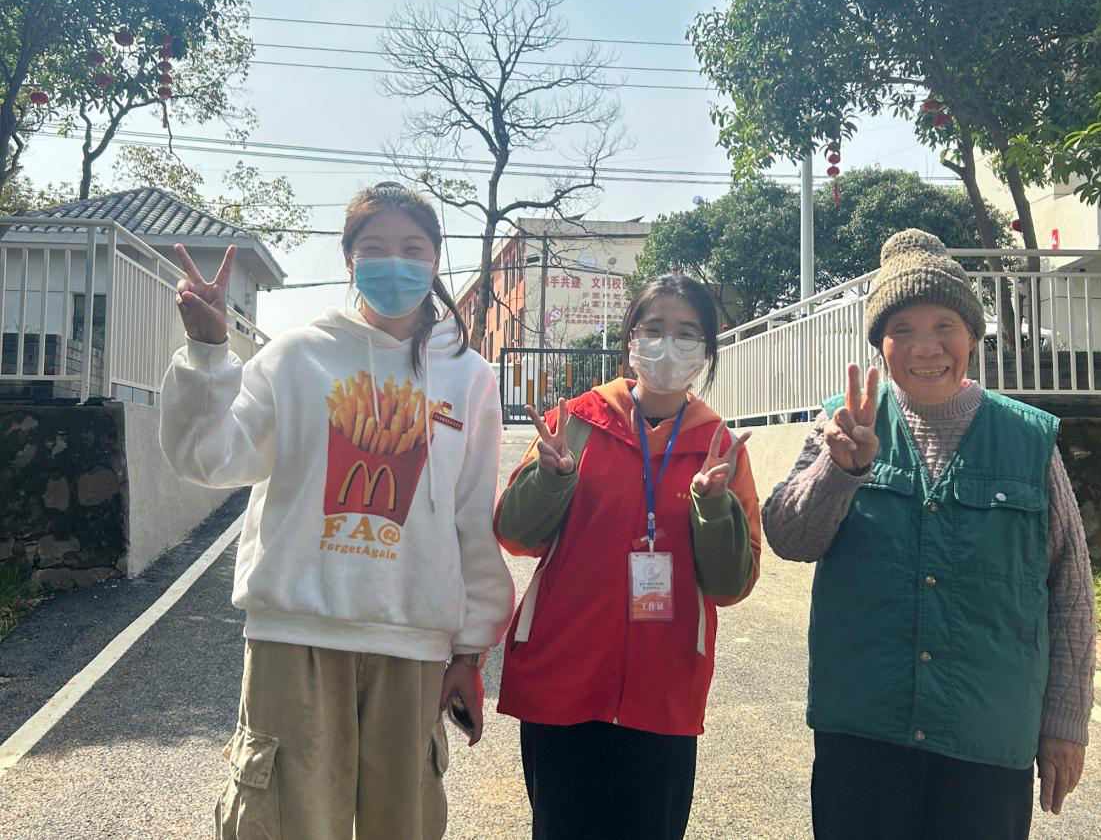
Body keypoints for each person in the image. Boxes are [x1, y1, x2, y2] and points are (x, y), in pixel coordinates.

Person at [160, 181, 514, 840]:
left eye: (412, 247)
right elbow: (207, 458)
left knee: (404, 824)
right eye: (373, 247)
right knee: (283, 824)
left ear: (436, 259)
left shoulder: (469, 377)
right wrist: (208, 354)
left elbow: (471, 516)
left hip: (411, 640)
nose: (394, 262)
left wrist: (470, 651)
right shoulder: (298, 356)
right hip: (294, 635)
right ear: (349, 260)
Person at [763, 229, 1095, 840]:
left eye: (945, 325)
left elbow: (1070, 588)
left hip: (986, 735)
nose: (926, 347)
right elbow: (789, 537)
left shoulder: (1027, 439)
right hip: (864, 731)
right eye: (903, 329)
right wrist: (839, 470)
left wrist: (1065, 723)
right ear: (880, 344)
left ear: (972, 335)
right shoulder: (842, 422)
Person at [495, 274, 763, 840]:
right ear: (630, 340)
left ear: (707, 350)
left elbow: (731, 585)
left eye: (687, 333)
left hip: (663, 694)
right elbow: (514, 534)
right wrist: (550, 479)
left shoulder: (719, 448)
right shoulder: (576, 422)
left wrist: (713, 507)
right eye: (655, 329)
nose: (668, 345)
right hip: (561, 683)